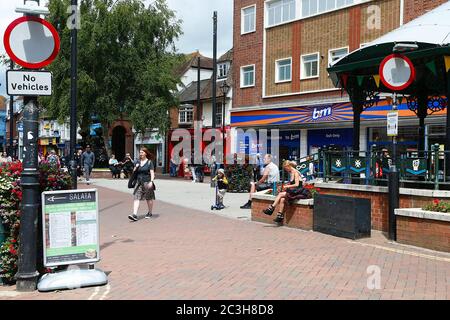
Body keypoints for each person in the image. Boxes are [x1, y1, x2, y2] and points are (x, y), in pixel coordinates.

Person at [128, 148, 156, 222]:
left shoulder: (149, 162)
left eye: (142, 152)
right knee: (136, 197)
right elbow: (134, 172)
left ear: (146, 153)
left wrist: (151, 181)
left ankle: (150, 212)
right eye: (140, 152)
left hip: (147, 182)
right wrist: (136, 167)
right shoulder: (137, 161)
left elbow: (152, 173)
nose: (140, 154)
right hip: (138, 182)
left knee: (149, 198)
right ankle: (134, 214)